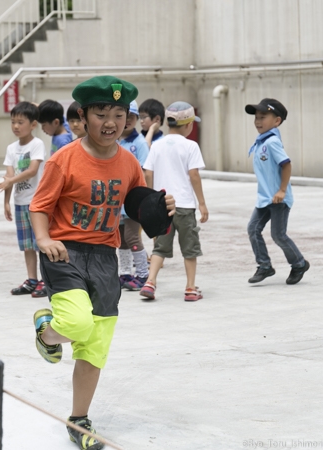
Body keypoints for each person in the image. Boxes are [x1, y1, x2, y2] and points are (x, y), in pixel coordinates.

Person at [30, 76, 175, 449]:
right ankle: (47, 330)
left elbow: (135, 205)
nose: (110, 122)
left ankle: (79, 419)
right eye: (100, 113)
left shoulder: (128, 162)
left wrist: (160, 209)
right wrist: (45, 240)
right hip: (65, 252)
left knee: (95, 344)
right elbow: (40, 206)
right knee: (76, 323)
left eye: (118, 114)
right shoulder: (64, 159)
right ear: (83, 115)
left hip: (105, 258)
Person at [141, 101, 208, 301]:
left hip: (163, 205)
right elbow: (194, 175)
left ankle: (150, 282)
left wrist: (152, 198)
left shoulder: (157, 145)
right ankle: (190, 287)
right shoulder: (190, 145)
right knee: (190, 248)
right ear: (188, 125)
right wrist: (202, 203)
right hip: (185, 206)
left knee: (160, 247)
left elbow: (147, 173)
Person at [245, 98, 309, 284]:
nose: (258, 121)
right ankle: (265, 266)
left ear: (277, 121)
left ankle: (299, 263)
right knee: (253, 229)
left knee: (278, 235)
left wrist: (282, 190)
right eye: (256, 117)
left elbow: (287, 165)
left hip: (278, 199)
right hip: (265, 198)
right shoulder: (261, 141)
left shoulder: (272, 142)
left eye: (263, 117)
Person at [0, 101, 47, 298]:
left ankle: (46, 280)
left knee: (41, 243)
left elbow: (32, 170)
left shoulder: (37, 144)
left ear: (33, 124)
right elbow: (8, 177)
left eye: (21, 122)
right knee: (27, 245)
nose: (16, 126)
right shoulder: (11, 148)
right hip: (20, 201)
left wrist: (10, 181)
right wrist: (6, 202)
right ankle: (32, 279)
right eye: (13, 122)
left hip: (37, 202)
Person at [117, 100, 150, 290]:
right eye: (123, 116)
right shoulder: (115, 141)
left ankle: (143, 274)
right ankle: (125, 273)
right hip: (117, 200)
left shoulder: (139, 144)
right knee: (121, 238)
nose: (127, 121)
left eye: (131, 117)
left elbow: (145, 172)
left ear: (137, 119)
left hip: (133, 200)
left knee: (132, 237)